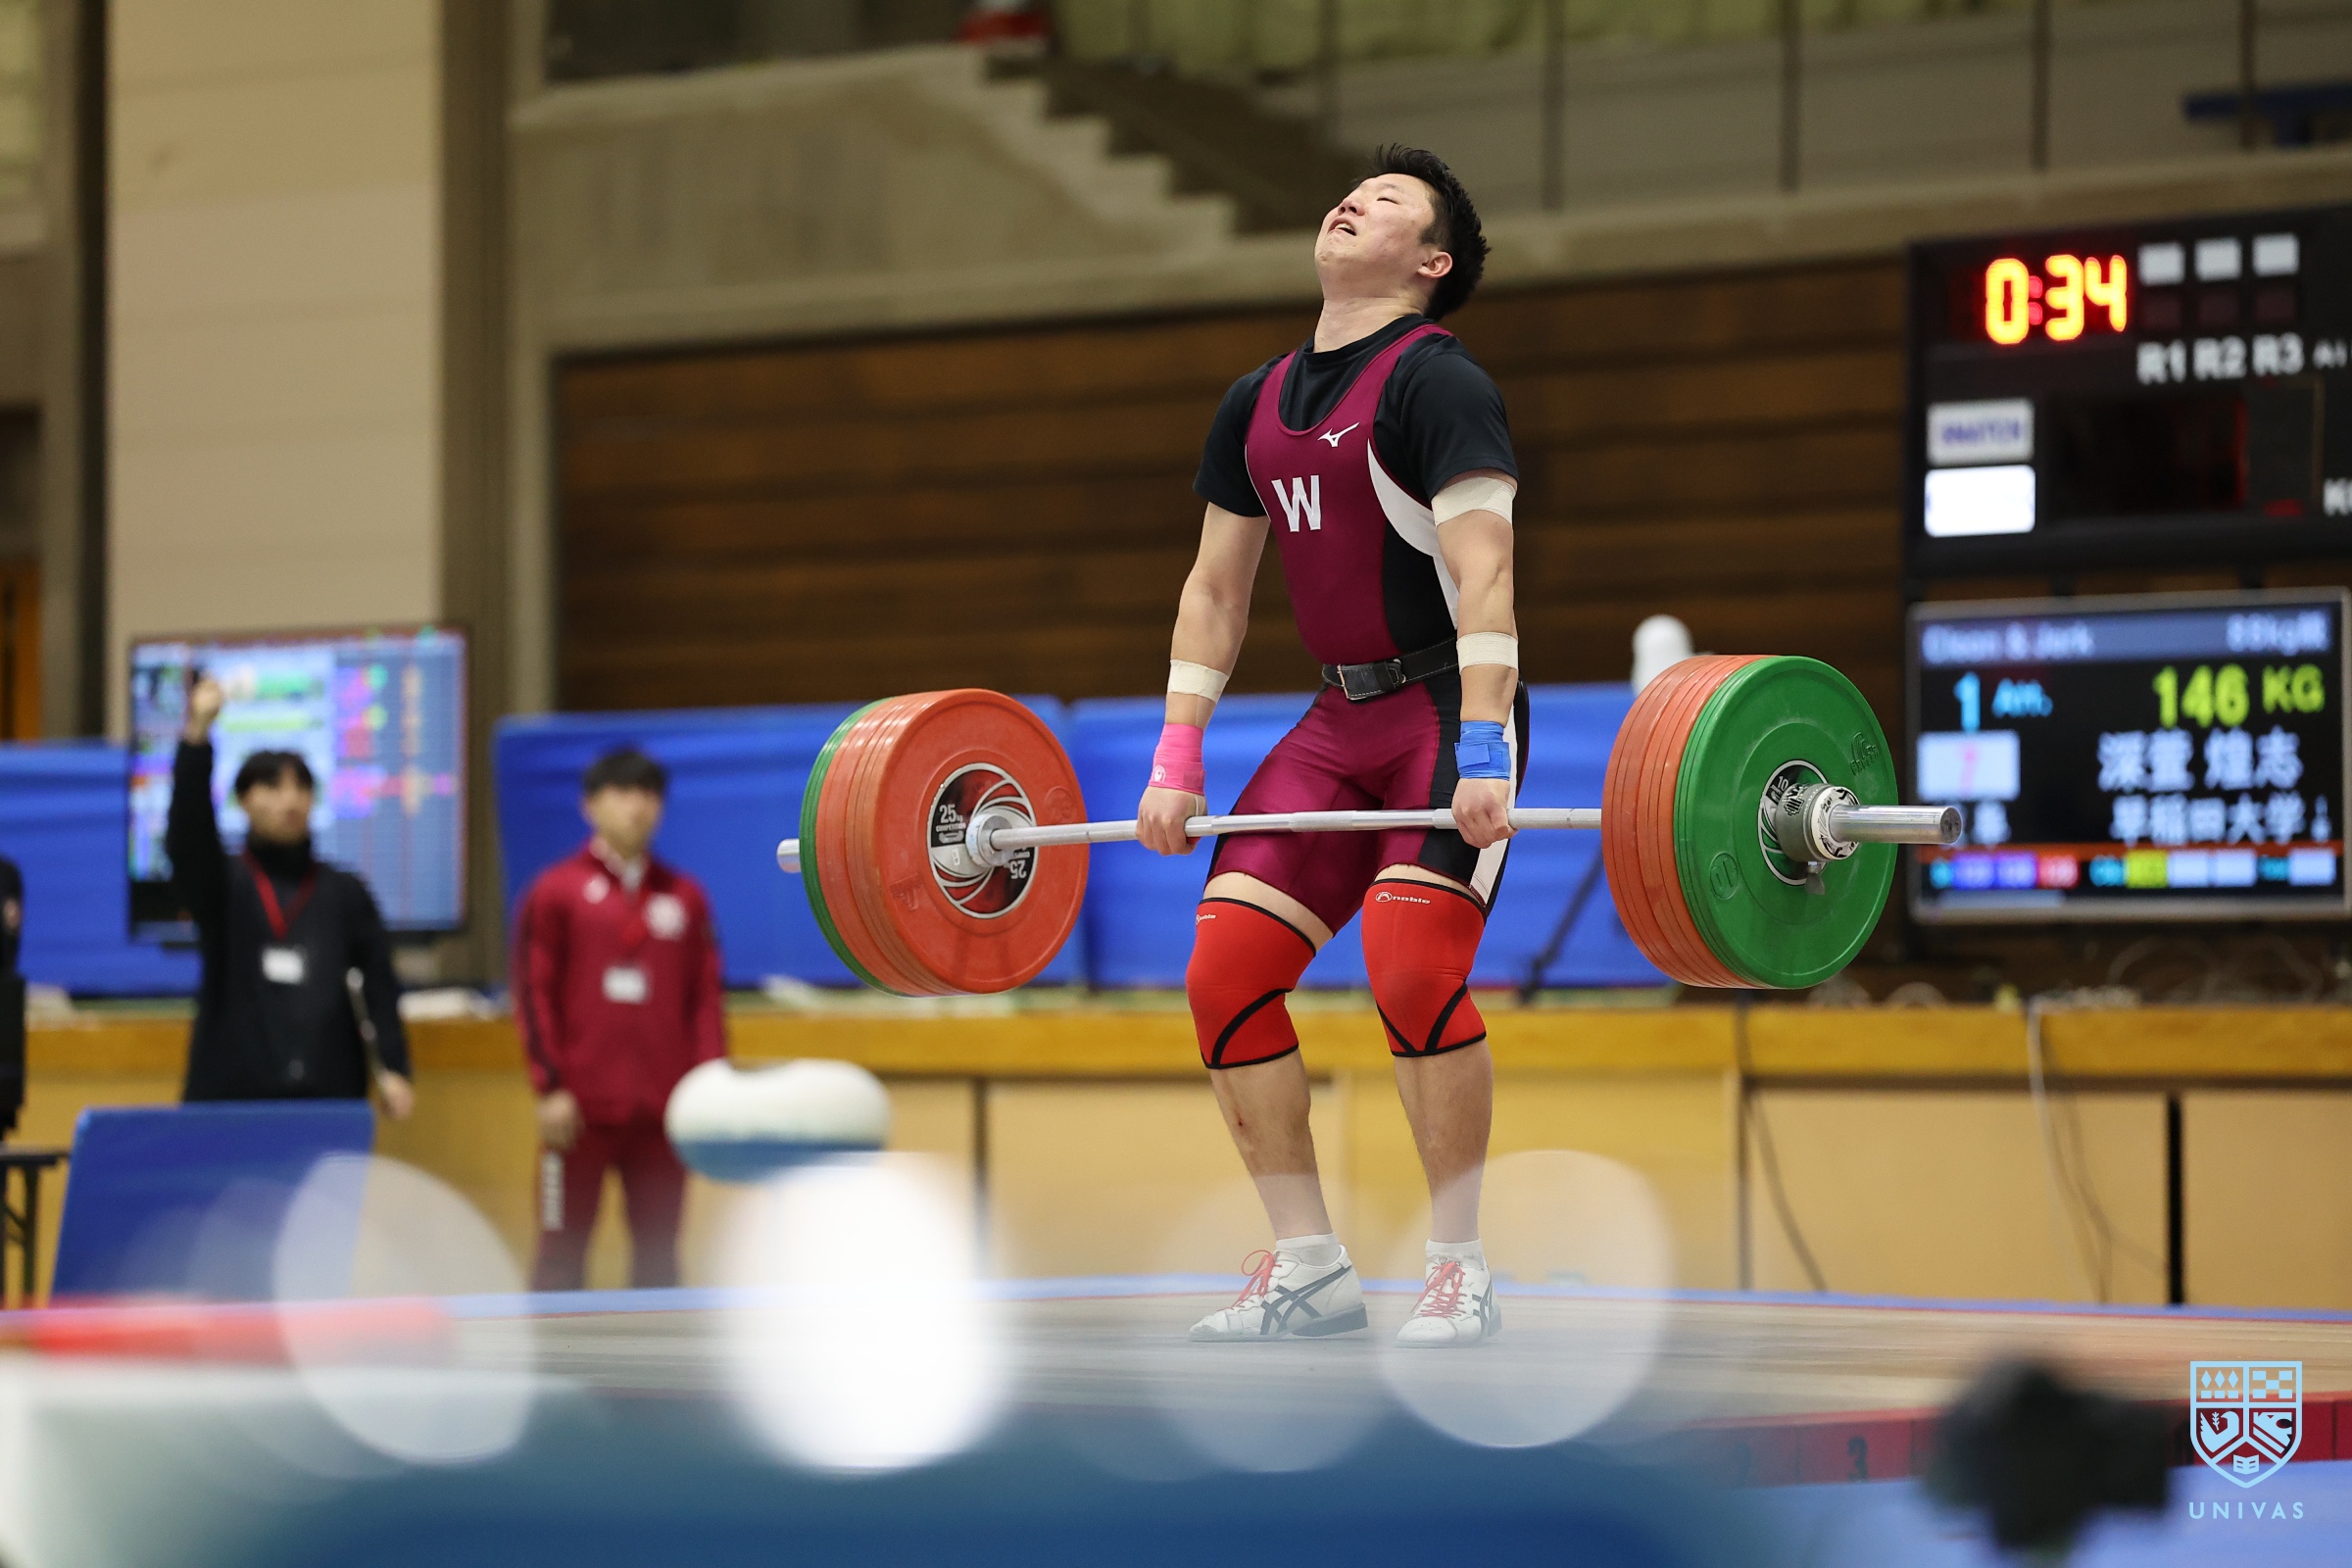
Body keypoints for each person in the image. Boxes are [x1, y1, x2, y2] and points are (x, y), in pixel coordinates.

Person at [1138, 146, 1521, 1348]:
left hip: (1442, 715)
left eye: (1391, 202)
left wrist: (1485, 742)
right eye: (1354, 192)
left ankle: (1459, 1267)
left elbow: (1485, 572)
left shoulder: (1439, 383)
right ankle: (1309, 1267)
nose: (1355, 201)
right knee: (1224, 973)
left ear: (1431, 262)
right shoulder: (1253, 401)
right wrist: (1177, 757)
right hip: (1334, 722)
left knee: (1411, 967)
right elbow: (1214, 591)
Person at [512, 748, 725, 1291]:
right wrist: (550, 1086)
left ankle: (658, 1354)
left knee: (659, 1261)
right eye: (623, 792)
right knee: (560, 1254)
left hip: (664, 1114)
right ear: (590, 805)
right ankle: (550, 1349)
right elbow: (533, 993)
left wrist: (708, 1090)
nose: (638, 806)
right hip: (576, 1113)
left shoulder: (685, 898)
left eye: (650, 794)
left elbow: (704, 1000)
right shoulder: (555, 891)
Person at [171, 676, 416, 1113]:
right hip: (233, 1097)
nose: (290, 801)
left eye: (301, 788)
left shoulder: (344, 892)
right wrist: (197, 739)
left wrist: (394, 1066)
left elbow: (379, 984)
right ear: (244, 800)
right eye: (273, 787)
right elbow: (188, 837)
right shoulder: (223, 883)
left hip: (328, 1094)